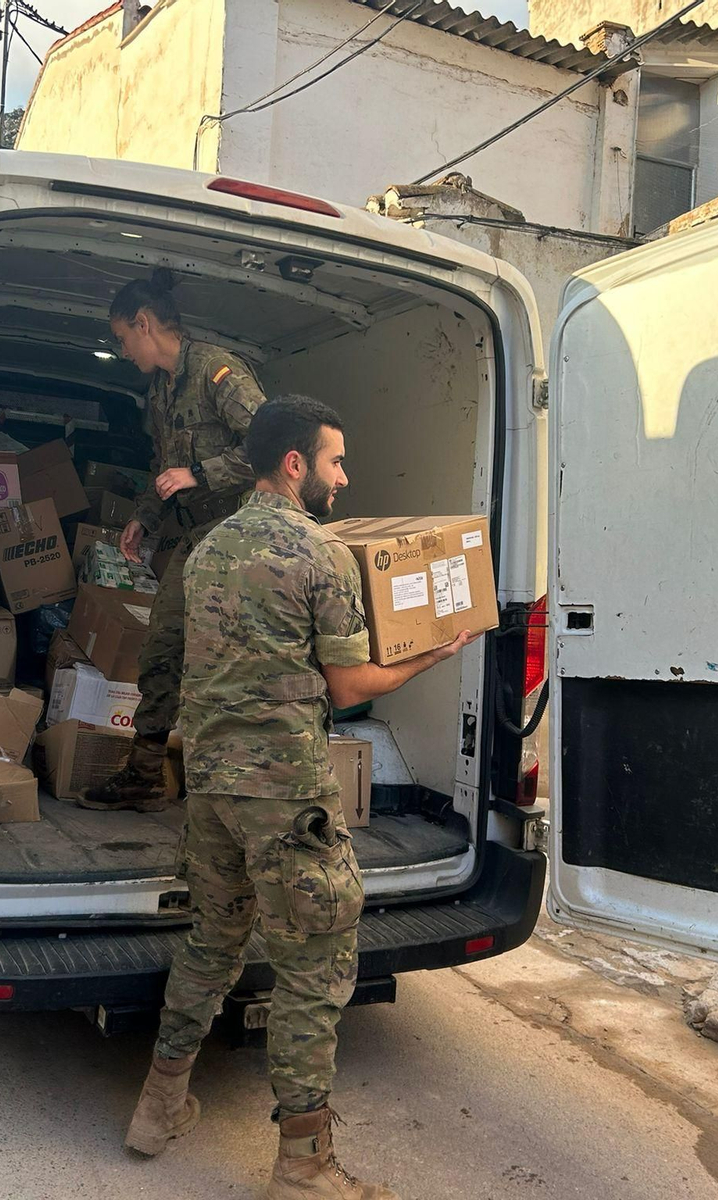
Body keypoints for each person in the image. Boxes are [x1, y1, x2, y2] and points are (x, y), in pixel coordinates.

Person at [124, 395, 477, 1199]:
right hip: (286, 794)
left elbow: (173, 658)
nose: (343, 478)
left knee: (211, 943)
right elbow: (349, 684)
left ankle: (158, 1107)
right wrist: (437, 652)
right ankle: (303, 1167)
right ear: (295, 464)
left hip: (211, 785)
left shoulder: (208, 549)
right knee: (314, 968)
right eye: (336, 461)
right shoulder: (319, 555)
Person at [82, 268, 267, 812]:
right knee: (163, 647)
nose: (122, 351)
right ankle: (144, 774)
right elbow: (164, 466)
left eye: (122, 338)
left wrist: (202, 474)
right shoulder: (159, 392)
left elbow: (274, 445)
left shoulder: (217, 372)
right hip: (196, 536)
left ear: (144, 324)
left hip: (238, 535)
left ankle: (240, 785)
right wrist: (145, 518)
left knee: (227, 663)